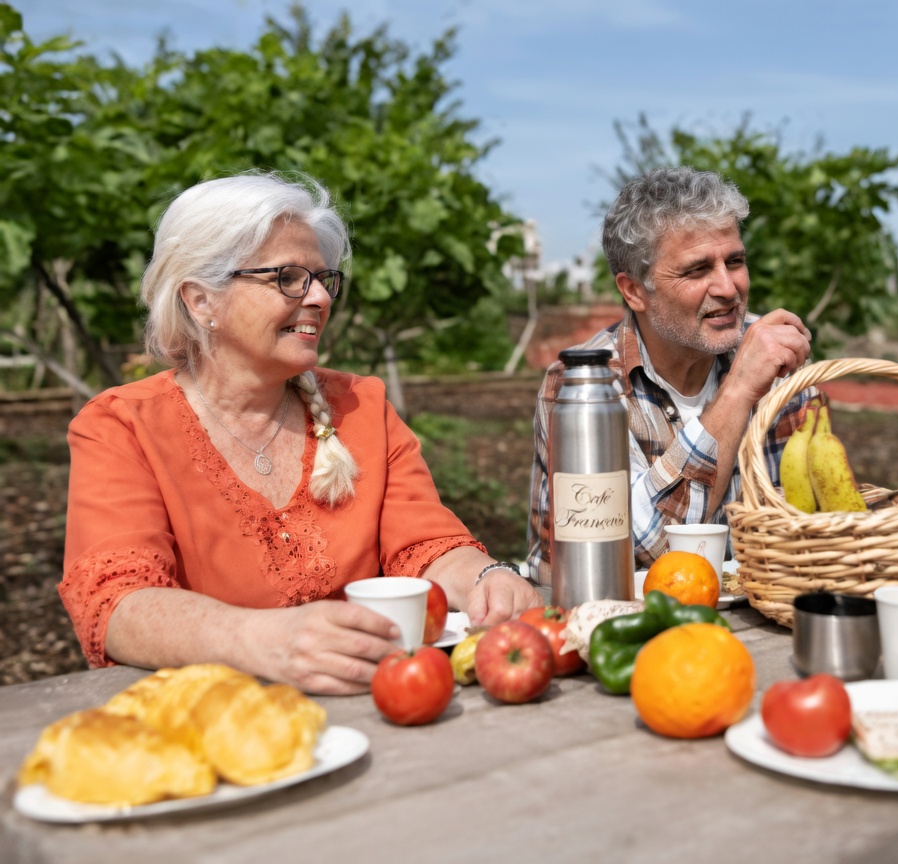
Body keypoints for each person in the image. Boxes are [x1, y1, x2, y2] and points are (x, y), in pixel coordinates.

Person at [60, 171, 541, 695]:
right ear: (200, 301)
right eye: (288, 277)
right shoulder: (121, 427)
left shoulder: (363, 408)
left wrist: (488, 578)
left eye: (322, 278)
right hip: (211, 725)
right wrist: (258, 639)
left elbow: (427, 547)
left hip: (378, 705)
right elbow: (117, 604)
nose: (319, 297)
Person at [527, 166, 816, 584]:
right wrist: (736, 392)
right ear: (634, 291)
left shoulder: (774, 353)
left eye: (734, 261)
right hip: (608, 622)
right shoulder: (583, 387)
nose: (728, 288)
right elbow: (645, 553)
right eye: (697, 270)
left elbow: (803, 522)